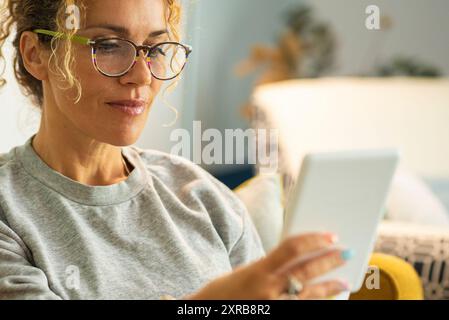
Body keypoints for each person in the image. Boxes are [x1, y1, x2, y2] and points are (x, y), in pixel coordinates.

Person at [0, 0, 351, 300]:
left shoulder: (201, 195)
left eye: (154, 50)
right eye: (107, 45)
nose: (141, 76)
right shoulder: (9, 209)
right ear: (36, 55)